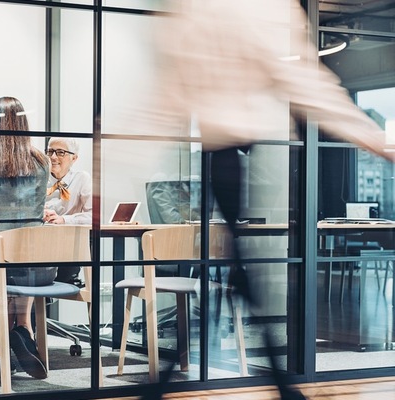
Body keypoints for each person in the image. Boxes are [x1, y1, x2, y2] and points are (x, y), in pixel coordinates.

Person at [133, 1, 394, 399]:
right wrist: (371, 137)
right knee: (240, 279)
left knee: (238, 278)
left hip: (225, 153)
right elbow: (306, 84)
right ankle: (280, 388)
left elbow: (165, 96)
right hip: (230, 154)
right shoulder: (254, 9)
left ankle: (174, 383)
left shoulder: (192, 12)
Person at [0, 96, 53, 379]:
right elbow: (37, 209)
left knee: (3, 269)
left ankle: (0, 349)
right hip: (41, 262)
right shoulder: (42, 159)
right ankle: (24, 329)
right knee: (24, 260)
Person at [43, 137, 93, 284]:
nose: (53, 157)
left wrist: (64, 219)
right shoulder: (38, 178)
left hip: (68, 248)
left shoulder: (82, 178)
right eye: (50, 152)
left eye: (60, 152)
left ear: (74, 158)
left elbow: (93, 216)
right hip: (40, 245)